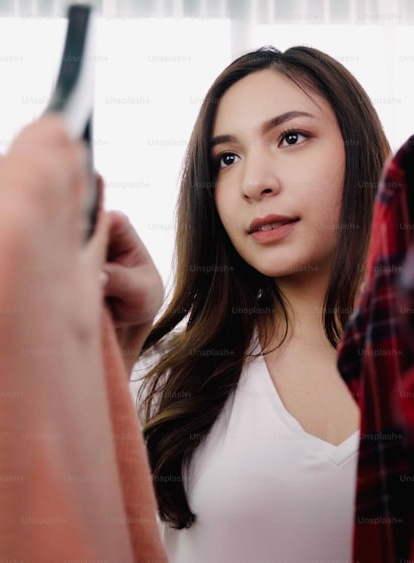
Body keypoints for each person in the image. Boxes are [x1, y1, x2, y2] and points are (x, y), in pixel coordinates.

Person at [134, 46, 390, 562]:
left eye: (291, 137)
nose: (254, 183)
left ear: (360, 153)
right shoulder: (161, 382)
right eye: (227, 159)